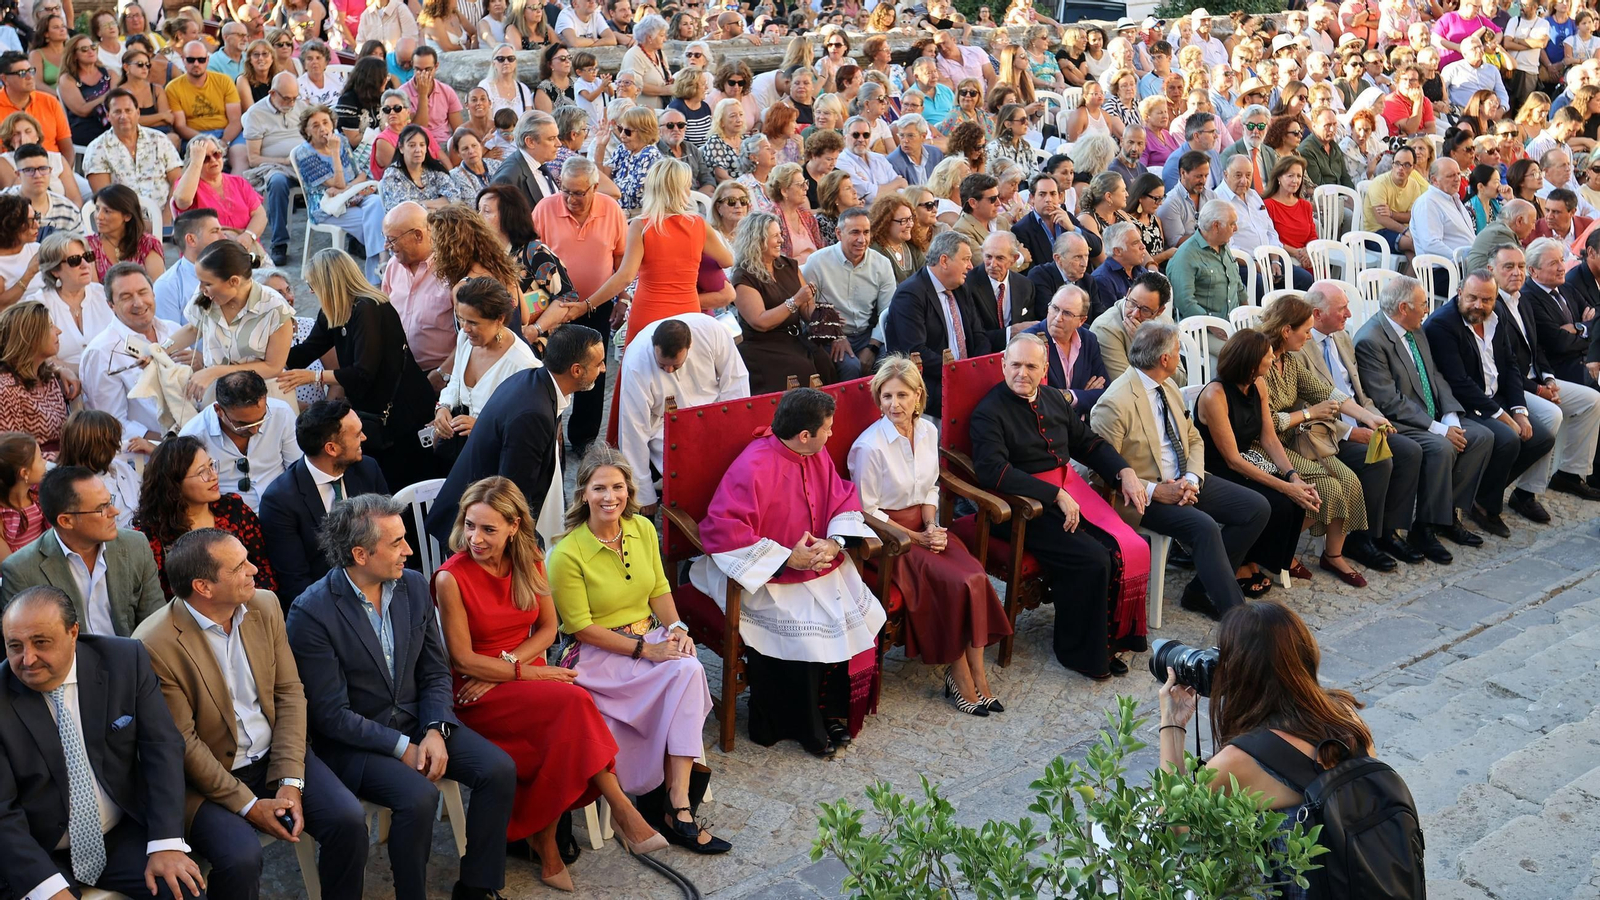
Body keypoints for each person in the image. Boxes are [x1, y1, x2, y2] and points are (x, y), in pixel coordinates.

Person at [432, 476, 671, 887]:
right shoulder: (450, 578)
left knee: (565, 717)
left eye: (488, 529)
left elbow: (547, 630)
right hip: (474, 693)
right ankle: (620, 810)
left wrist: (510, 667)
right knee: (573, 702)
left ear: (514, 527)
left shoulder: (531, 559)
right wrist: (529, 672)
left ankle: (546, 840)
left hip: (510, 677)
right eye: (469, 525)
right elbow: (464, 659)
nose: (475, 538)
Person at [285, 493, 517, 900]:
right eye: (396, 543)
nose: (409, 550)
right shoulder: (311, 612)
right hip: (355, 744)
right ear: (360, 554)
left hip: (418, 721)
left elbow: (434, 671)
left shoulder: (412, 586)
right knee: (418, 797)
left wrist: (435, 729)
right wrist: (402, 748)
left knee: (497, 769)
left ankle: (477, 886)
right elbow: (330, 715)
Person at [133, 527, 370, 900]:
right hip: (206, 779)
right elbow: (184, 743)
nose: (254, 570)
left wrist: (290, 778)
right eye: (239, 567)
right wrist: (248, 806)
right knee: (240, 858)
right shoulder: (153, 643)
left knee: (348, 821)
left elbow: (289, 692)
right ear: (203, 587)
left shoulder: (265, 605)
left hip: (274, 756)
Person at [688, 387, 885, 757]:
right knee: (806, 637)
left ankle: (831, 713)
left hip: (818, 564)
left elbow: (841, 496)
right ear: (804, 435)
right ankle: (802, 725)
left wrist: (834, 543)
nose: (832, 434)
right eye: (827, 428)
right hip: (764, 575)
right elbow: (722, 530)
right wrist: (786, 558)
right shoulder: (753, 466)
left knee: (858, 618)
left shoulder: (815, 453)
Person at [1156, 601, 1380, 889]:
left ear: (1240, 672)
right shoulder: (1345, 715)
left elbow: (1172, 830)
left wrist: (1172, 723)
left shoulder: (1244, 759)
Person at [0, 585, 205, 900]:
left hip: (118, 833)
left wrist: (165, 843)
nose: (28, 659)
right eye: (14, 646)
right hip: (37, 850)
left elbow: (161, 747)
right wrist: (46, 887)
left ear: (73, 632)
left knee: (184, 892)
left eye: (41, 642)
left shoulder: (123, 660)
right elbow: (2, 811)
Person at [969, 333, 1147, 677]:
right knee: (1093, 558)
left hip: (1067, 493)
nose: (1022, 373)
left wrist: (1123, 471)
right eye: (1015, 365)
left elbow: (1088, 443)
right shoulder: (989, 412)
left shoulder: (1053, 398)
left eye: (1030, 366)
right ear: (1003, 365)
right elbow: (993, 471)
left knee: (1126, 546)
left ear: (1044, 368)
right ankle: (1079, 653)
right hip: (1021, 509)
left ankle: (1109, 641)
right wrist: (1054, 495)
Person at [848, 356, 1011, 705]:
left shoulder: (927, 432)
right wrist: (915, 537)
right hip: (890, 540)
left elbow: (929, 489)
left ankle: (978, 671)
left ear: (918, 396)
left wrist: (933, 526)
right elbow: (866, 510)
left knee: (975, 575)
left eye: (902, 395)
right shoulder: (869, 447)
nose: (894, 404)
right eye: (887, 396)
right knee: (955, 582)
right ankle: (959, 674)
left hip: (924, 528)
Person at [1090, 322, 1273, 619]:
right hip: (1142, 496)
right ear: (1165, 359)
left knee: (1256, 507)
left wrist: (1191, 479)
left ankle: (1201, 590)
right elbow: (1099, 472)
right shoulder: (1115, 403)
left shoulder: (1168, 385)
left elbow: (1193, 438)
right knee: (1204, 527)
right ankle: (1238, 617)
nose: (1180, 356)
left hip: (1185, 479)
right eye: (1178, 351)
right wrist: (1157, 491)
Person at [1353, 274, 1497, 557]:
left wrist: (1451, 416)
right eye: (1423, 304)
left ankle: (1446, 516)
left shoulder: (1415, 329)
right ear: (1403, 308)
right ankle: (1424, 527)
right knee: (1442, 447)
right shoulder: (1371, 340)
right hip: (1398, 421)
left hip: (1431, 414)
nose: (1428, 309)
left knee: (1481, 437)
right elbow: (1389, 401)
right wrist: (1438, 429)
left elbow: (1435, 375)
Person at [427, 323, 603, 546]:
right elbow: (512, 496)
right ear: (576, 370)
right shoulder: (533, 414)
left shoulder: (532, 380)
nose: (603, 369)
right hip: (473, 537)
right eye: (598, 363)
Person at [1256, 294, 1388, 586]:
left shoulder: (1289, 361)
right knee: (1327, 489)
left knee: (1349, 480)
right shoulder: (1260, 363)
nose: (1309, 336)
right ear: (1286, 331)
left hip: (1293, 440)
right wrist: (1308, 413)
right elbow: (1264, 425)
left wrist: (1368, 417)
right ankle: (1275, 548)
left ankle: (1333, 554)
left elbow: (1326, 392)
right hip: (1264, 447)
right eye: (1305, 331)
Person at [1299, 282, 1430, 571]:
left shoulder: (1343, 337)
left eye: (1348, 306)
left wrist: (1373, 417)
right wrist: (1349, 431)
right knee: (1378, 461)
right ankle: (1360, 538)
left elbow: (1358, 393)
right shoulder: (1300, 347)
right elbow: (1307, 406)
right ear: (1317, 314)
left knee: (1410, 451)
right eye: (1341, 309)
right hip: (1325, 434)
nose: (1349, 314)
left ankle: (1387, 531)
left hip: (1358, 419)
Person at [1422, 268, 1558, 536]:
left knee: (1542, 437)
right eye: (1472, 298)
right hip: (1464, 403)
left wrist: (1519, 411)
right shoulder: (1442, 324)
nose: (1478, 305)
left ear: (1495, 299)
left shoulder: (1496, 317)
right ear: (1459, 293)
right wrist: (1502, 416)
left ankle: (1481, 494)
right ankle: (1486, 506)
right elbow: (1458, 382)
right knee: (1508, 438)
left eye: (1486, 300)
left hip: (1495, 397)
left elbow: (1510, 365)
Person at [0, 463, 165, 634]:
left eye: (110, 501)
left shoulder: (135, 546)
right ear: (66, 521)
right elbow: (25, 642)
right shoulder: (21, 571)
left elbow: (155, 624)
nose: (114, 511)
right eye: (102, 508)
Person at [580, 157, 732, 341]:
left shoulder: (641, 225)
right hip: (687, 311)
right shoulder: (698, 224)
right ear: (682, 190)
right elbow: (727, 260)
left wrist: (587, 305)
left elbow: (625, 277)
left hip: (649, 312)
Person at [258, 399, 388, 606]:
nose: (364, 438)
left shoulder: (367, 469)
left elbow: (388, 536)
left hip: (378, 587)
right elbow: (295, 581)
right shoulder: (280, 501)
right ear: (331, 448)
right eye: (356, 435)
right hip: (325, 605)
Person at [616, 314, 748, 513]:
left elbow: (736, 382)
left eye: (675, 365)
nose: (669, 370)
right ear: (653, 344)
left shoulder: (711, 331)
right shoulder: (636, 362)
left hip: (713, 412)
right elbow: (633, 429)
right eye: (662, 365)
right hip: (661, 423)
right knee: (686, 472)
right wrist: (643, 494)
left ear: (690, 346)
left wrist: (731, 430)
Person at [884, 230, 990, 417]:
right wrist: (957, 372)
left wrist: (977, 369)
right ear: (944, 261)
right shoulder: (910, 294)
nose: (971, 266)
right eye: (965, 259)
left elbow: (978, 334)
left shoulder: (960, 288)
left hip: (964, 373)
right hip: (928, 379)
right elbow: (916, 351)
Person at [293, 103, 384, 281]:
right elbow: (338, 183)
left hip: (353, 196)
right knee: (373, 223)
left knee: (376, 203)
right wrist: (334, 153)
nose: (322, 129)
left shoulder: (341, 140)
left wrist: (347, 189)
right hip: (326, 208)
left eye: (325, 123)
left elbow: (360, 175)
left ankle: (382, 265)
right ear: (307, 131)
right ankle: (380, 273)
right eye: (315, 126)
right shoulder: (305, 153)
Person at [802, 206, 895, 379]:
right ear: (838, 233)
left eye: (866, 232)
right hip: (828, 335)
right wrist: (835, 334)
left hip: (867, 335)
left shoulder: (882, 264)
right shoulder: (817, 262)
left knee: (892, 361)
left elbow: (887, 312)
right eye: (855, 232)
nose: (862, 239)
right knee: (851, 367)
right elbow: (807, 308)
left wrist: (872, 347)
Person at [171, 135, 269, 262]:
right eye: (205, 158)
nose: (213, 160)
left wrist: (248, 235)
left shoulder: (238, 182)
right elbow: (182, 200)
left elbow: (260, 215)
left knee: (273, 275)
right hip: (208, 257)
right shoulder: (187, 186)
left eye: (216, 154)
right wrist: (196, 161)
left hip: (247, 251)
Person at [32, 230, 110, 377]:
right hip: (62, 384)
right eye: (75, 260)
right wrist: (86, 372)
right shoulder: (39, 305)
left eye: (87, 257)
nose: (85, 265)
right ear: (54, 270)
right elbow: (44, 359)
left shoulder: (104, 295)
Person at [1024, 285, 1110, 414]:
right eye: (1055, 308)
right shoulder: (1028, 341)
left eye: (1067, 313)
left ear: (1081, 320)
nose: (1058, 318)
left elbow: (1105, 393)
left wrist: (1070, 396)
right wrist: (1083, 395)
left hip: (1084, 422)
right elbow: (1038, 399)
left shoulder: (1089, 340)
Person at [0, 300, 69, 454]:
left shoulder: (47, 376)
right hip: (38, 466)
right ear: (30, 338)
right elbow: (12, 455)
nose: (58, 331)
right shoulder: (7, 389)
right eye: (50, 326)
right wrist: (66, 458)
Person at [167, 41, 245, 173]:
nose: (196, 64)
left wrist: (224, 141)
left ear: (207, 60)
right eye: (191, 60)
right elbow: (180, 126)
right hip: (195, 135)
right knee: (201, 161)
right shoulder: (173, 88)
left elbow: (235, 120)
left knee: (241, 157)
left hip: (227, 133)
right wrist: (208, 142)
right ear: (183, 60)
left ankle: (237, 185)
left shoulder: (224, 81)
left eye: (201, 60)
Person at [58, 409, 142, 528]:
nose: (116, 447)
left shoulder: (121, 467)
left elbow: (145, 498)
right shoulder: (73, 487)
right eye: (112, 443)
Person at [1169, 199, 1246, 319]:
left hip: (1234, 322)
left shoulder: (1222, 245)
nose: (1236, 228)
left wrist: (1248, 318)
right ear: (1216, 226)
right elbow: (1185, 303)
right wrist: (1216, 326)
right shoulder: (1185, 256)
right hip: (1205, 327)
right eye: (1232, 224)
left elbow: (1238, 286)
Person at [0, 50, 74, 171]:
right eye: (22, 73)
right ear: (4, 79)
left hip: (55, 170)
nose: (29, 77)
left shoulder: (50, 101)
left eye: (31, 71)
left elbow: (67, 148)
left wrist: (63, 173)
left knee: (84, 185)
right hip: (11, 173)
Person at [151, 207, 222, 325]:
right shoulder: (168, 286)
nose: (223, 237)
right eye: (215, 231)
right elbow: (169, 334)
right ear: (191, 240)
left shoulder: (234, 272)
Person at [87, 183, 164, 280]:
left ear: (127, 216)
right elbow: (93, 287)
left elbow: (157, 284)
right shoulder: (88, 246)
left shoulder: (148, 244)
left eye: (107, 211)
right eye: (97, 209)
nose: (99, 216)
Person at [490, 108, 560, 213]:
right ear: (530, 142)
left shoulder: (539, 165)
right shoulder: (508, 179)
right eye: (551, 138)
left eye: (557, 137)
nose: (559, 143)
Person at [6, 140, 76, 232]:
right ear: (18, 174)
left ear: (50, 170)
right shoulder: (4, 205)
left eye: (43, 169)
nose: (38, 175)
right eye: (29, 170)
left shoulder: (68, 210)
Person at [0, 429, 44, 560]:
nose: (45, 462)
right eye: (40, 459)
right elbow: (8, 566)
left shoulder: (38, 496)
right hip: (22, 569)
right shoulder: (3, 517)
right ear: (25, 473)